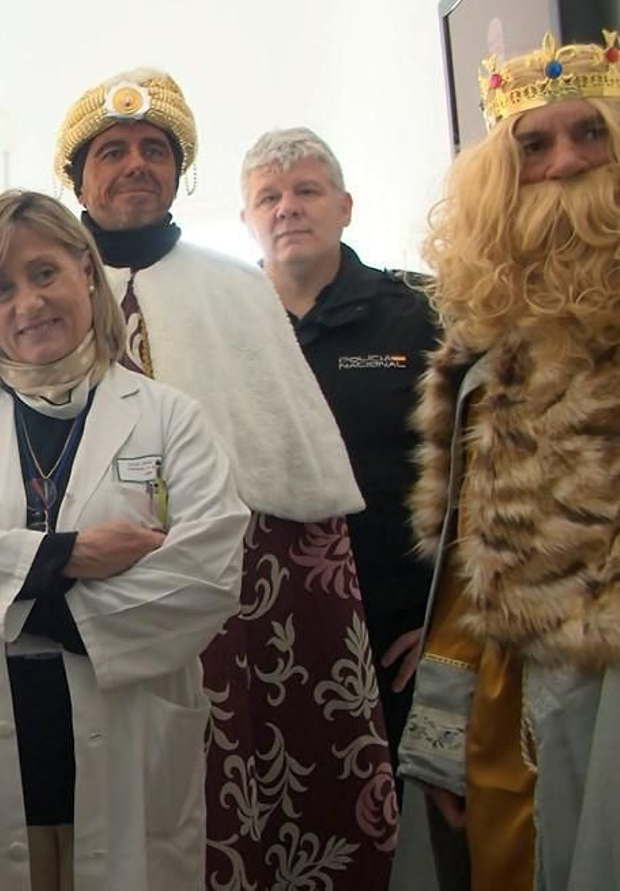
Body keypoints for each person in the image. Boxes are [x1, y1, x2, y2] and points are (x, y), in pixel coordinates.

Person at [53, 68, 398, 888]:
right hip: (80, 581)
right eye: (112, 151)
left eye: (153, 150)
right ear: (76, 175)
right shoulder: (39, 290)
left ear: (179, 172)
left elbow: (295, 464)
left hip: (240, 591)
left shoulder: (239, 290)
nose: (135, 164)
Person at [0, 189, 251, 890]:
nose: (28, 303)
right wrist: (70, 556)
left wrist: (19, 602)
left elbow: (208, 571)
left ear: (87, 271)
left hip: (129, 736)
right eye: (0, 290)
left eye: (44, 272)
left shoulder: (171, 417)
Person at [398, 32, 620, 891]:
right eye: (534, 145)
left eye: (589, 135)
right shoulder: (484, 361)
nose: (565, 163)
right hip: (519, 699)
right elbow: (465, 568)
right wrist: (449, 740)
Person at [239, 127, 441, 783]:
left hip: (401, 633)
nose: (287, 208)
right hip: (266, 635)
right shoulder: (226, 327)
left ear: (344, 206)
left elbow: (477, 473)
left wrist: (451, 621)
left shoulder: (422, 313)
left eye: (306, 191)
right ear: (248, 220)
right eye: (268, 197)